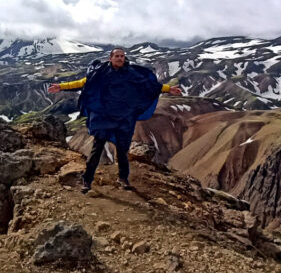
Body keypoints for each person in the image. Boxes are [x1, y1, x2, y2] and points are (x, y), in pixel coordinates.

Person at [48, 48, 182, 193]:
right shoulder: (100, 73)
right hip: (104, 117)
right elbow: (83, 83)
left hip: (123, 118)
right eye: (117, 56)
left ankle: (123, 179)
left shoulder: (131, 73)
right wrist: (61, 87)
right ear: (110, 58)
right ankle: (87, 180)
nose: (120, 58)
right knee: (97, 148)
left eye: (122, 56)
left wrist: (169, 89)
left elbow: (148, 85)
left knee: (122, 149)